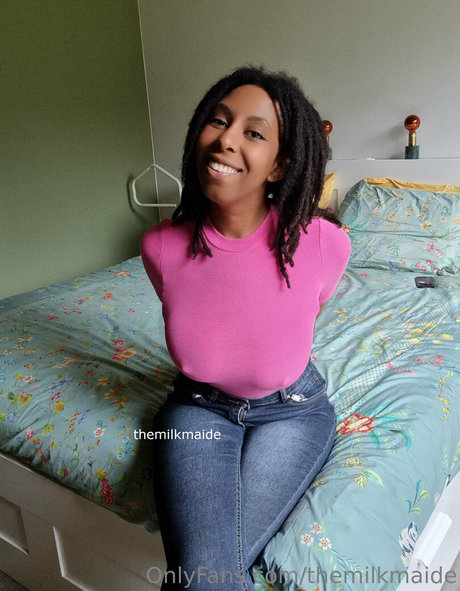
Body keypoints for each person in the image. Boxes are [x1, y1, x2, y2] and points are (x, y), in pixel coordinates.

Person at [141, 66, 351, 591]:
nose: (226, 140)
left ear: (280, 165)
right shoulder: (159, 247)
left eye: (253, 133)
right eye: (218, 121)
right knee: (206, 577)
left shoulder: (323, 243)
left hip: (292, 413)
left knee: (202, 578)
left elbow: (301, 311)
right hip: (196, 408)